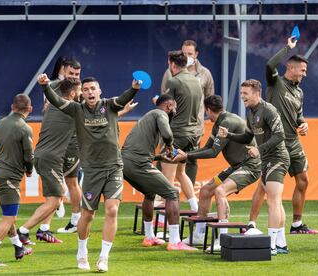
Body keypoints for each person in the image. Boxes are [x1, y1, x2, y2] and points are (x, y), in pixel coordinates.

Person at [38, 75, 140, 272]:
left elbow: (124, 98)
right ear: (81, 94)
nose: (90, 92)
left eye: (93, 88)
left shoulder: (109, 105)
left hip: (114, 167)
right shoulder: (77, 110)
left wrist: (134, 88)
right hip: (92, 171)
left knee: (112, 210)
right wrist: (45, 87)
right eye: (86, 89)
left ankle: (103, 258)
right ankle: (82, 252)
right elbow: (57, 101)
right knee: (88, 215)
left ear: (99, 91)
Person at [247, 37, 318, 235]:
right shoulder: (275, 82)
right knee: (264, 186)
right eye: (302, 70)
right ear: (291, 67)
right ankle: (251, 224)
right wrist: (288, 47)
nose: (305, 74)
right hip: (273, 143)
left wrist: (303, 124)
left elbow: (299, 116)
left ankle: (297, 224)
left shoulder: (299, 93)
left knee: (303, 180)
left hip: (293, 143)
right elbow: (270, 64)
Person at [169, 95, 261, 251]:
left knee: (220, 191)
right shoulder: (219, 122)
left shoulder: (228, 122)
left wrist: (187, 155)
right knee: (205, 191)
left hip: (250, 166)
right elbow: (206, 148)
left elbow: (213, 152)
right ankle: (198, 235)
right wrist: (186, 153)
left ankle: (223, 239)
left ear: (208, 110)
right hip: (236, 166)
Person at [218, 79, 290, 256]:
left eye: (245, 94)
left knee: (273, 201)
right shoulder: (250, 112)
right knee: (276, 201)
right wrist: (230, 135)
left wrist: (259, 149)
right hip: (266, 159)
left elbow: (280, 135)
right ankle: (281, 244)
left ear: (257, 94)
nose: (242, 96)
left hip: (278, 158)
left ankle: (272, 245)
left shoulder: (268, 111)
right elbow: (247, 136)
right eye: (241, 93)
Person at [122, 94, 197, 251]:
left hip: (125, 163)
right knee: (172, 193)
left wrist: (159, 156)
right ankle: (175, 242)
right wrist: (170, 146)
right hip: (138, 163)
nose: (175, 110)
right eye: (174, 107)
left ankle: (149, 237)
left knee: (149, 193)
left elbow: (137, 149)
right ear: (169, 106)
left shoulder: (148, 117)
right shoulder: (160, 114)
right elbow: (168, 134)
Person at [17, 72, 83, 245]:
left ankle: (44, 230)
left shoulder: (52, 106)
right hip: (50, 159)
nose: (82, 93)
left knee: (58, 193)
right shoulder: (72, 109)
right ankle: (23, 231)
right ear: (72, 94)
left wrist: (45, 83)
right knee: (54, 200)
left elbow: (54, 89)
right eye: (81, 90)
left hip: (42, 156)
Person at [0, 94, 34, 266]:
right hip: (9, 178)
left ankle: (19, 247)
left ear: (12, 107)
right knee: (9, 218)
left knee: (9, 215)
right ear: (30, 109)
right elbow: (29, 155)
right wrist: (29, 170)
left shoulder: (1, 122)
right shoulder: (25, 128)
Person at [161, 40, 215, 185]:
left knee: (186, 162)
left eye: (190, 54)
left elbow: (210, 99)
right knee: (170, 165)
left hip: (193, 127)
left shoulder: (205, 74)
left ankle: (173, 200)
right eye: (184, 53)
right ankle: (179, 200)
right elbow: (165, 98)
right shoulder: (169, 74)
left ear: (196, 54)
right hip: (176, 127)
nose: (187, 56)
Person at [159, 50, 202, 213]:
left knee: (167, 179)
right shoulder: (196, 81)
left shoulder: (173, 81)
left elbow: (166, 108)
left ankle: (165, 220)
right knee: (181, 173)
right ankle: (196, 209)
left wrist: (158, 102)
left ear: (172, 64)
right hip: (192, 134)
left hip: (176, 134)